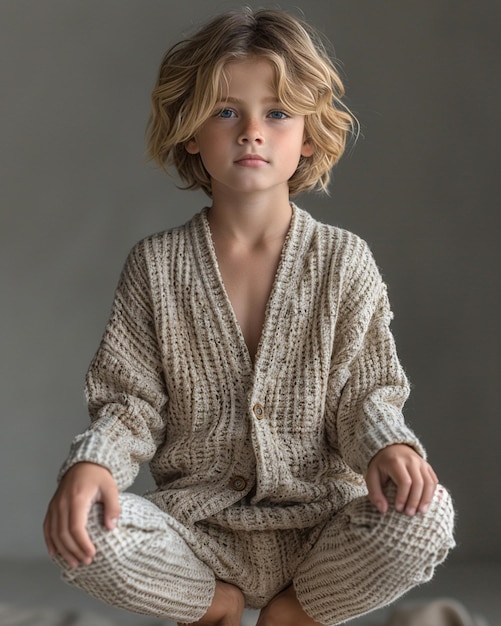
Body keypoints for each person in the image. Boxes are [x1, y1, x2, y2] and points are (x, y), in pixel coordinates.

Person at [43, 8, 455, 626]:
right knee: (82, 527)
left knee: (427, 518)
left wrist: (386, 446)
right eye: (226, 111)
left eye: (278, 113)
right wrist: (92, 462)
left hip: (325, 529)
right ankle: (215, 607)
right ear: (190, 131)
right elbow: (130, 404)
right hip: (199, 533)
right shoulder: (156, 265)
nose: (252, 132)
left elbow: (365, 394)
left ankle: (297, 612)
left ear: (309, 136)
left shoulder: (344, 260)